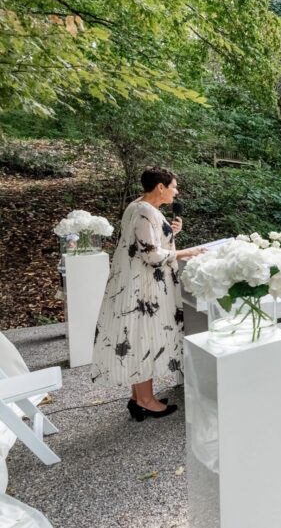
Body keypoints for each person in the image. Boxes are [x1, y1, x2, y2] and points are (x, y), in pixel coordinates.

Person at [90, 166, 204, 420]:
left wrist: (172, 232)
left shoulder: (139, 207)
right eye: (174, 186)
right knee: (143, 338)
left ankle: (138, 397)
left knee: (140, 337)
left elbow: (145, 243)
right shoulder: (144, 211)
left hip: (138, 284)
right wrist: (187, 252)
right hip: (144, 290)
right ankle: (144, 399)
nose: (177, 191)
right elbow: (151, 255)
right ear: (160, 187)